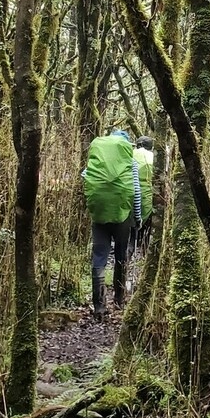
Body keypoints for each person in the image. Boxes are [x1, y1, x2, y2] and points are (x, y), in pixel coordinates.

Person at [83, 128, 141, 321]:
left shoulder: (97, 161)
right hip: (122, 214)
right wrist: (138, 218)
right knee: (120, 256)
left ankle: (99, 306)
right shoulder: (130, 162)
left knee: (99, 256)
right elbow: (136, 190)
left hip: (99, 213)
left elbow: (85, 176)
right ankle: (118, 298)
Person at [132, 136, 154, 253]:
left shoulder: (130, 154)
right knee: (146, 228)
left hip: (130, 195)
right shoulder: (153, 156)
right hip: (148, 197)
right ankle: (145, 252)